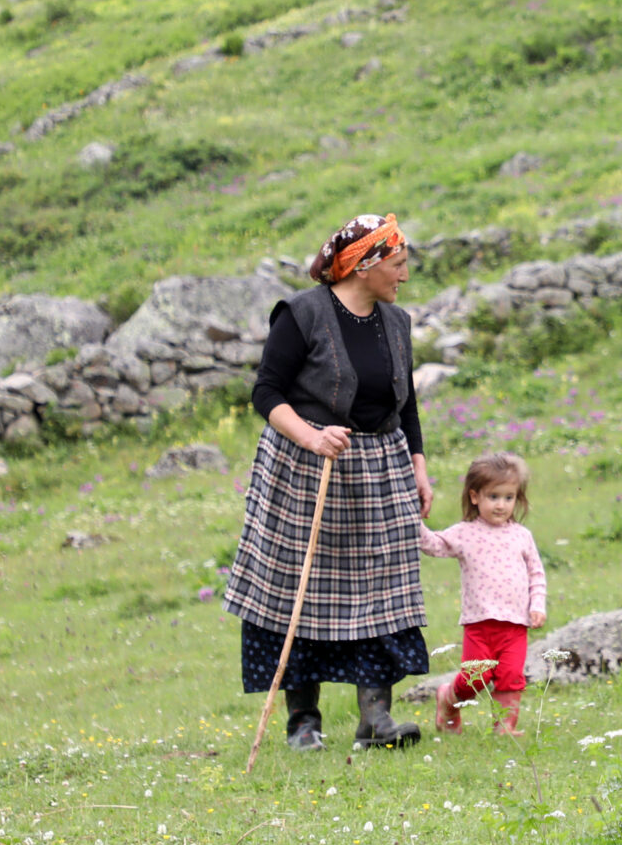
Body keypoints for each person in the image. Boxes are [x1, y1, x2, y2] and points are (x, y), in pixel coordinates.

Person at [226, 213, 433, 752]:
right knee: (300, 590)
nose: (403, 277)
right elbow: (266, 393)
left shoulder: (396, 322)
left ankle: (375, 719)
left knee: (382, 591)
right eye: (397, 264)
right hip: (307, 468)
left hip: (380, 469)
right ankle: (303, 724)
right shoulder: (302, 315)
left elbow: (404, 402)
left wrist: (418, 464)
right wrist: (312, 437)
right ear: (364, 266)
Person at [419, 452, 548, 736]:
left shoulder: (521, 536)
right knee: (475, 678)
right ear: (475, 497)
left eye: (508, 497)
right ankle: (448, 700)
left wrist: (537, 605)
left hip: (515, 624)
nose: (501, 505)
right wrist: (413, 521)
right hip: (480, 623)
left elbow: (536, 573)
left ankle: (505, 727)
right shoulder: (466, 533)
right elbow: (433, 545)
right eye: (493, 497)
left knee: (511, 677)